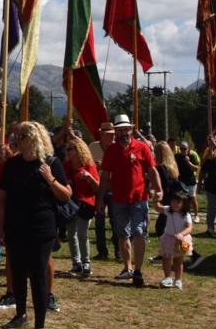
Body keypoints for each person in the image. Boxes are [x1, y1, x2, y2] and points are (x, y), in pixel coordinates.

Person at [0, 121, 71, 329]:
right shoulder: (13, 165)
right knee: (17, 272)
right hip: (15, 226)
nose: (17, 139)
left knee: (37, 275)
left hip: (41, 228)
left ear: (34, 138)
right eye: (16, 135)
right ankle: (20, 314)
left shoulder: (50, 163)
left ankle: (40, 327)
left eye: (22, 135)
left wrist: (51, 179)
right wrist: (0, 227)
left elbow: (66, 195)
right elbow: (1, 196)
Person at [99, 114, 161, 288]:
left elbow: (152, 170)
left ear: (131, 129)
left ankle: (138, 270)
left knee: (139, 232)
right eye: (120, 130)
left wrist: (159, 189)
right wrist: (100, 198)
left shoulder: (142, 147)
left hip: (139, 198)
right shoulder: (111, 151)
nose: (123, 132)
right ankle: (128, 267)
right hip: (118, 199)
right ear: (116, 132)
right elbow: (105, 177)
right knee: (122, 234)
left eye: (126, 129)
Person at [63, 135, 99, 278]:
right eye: (68, 149)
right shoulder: (66, 166)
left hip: (85, 204)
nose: (69, 151)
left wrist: (89, 178)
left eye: (71, 149)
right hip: (71, 204)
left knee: (82, 234)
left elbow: (97, 187)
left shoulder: (89, 165)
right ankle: (76, 263)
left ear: (79, 150)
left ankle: (86, 263)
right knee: (71, 234)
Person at [88, 122, 116, 260]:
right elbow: (87, 164)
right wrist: (95, 166)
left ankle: (118, 250)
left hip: (113, 187)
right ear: (102, 135)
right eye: (109, 135)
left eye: (113, 135)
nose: (112, 137)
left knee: (115, 220)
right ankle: (102, 251)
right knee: (99, 221)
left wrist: (105, 166)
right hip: (98, 187)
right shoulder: (92, 147)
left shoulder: (117, 147)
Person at [159, 188, 193, 290]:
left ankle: (178, 280)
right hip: (168, 238)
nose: (174, 204)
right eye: (173, 201)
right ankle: (167, 278)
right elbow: (158, 208)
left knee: (179, 260)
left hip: (183, 240)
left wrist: (182, 235)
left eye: (178, 202)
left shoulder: (186, 215)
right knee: (166, 259)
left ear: (184, 204)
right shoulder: (168, 210)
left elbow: (190, 227)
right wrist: (156, 199)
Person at [175, 140, 201, 221]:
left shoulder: (192, 156)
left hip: (190, 181)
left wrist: (189, 162)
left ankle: (196, 215)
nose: (183, 150)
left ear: (188, 149)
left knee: (192, 198)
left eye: (184, 149)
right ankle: (184, 214)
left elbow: (196, 168)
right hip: (181, 181)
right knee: (182, 198)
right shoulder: (177, 156)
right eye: (181, 148)